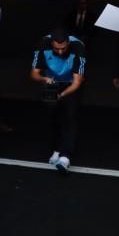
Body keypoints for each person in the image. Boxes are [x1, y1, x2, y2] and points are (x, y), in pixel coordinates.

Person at [31, 27, 86, 173]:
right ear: (51, 44)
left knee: (70, 117)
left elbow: (77, 82)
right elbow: (34, 74)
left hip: (70, 84)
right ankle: (57, 149)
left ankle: (66, 156)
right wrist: (45, 79)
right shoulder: (43, 43)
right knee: (53, 117)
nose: (60, 52)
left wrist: (61, 95)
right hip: (52, 82)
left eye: (63, 48)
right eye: (56, 49)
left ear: (68, 43)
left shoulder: (78, 46)